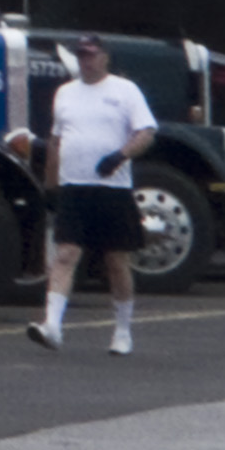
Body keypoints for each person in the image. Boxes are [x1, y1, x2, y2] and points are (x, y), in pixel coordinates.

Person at [33, 34, 160, 354]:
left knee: (116, 260)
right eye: (81, 55)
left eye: (91, 54)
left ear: (104, 56)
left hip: (112, 188)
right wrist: (51, 185)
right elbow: (56, 141)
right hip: (74, 187)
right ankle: (52, 325)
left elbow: (146, 132)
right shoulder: (64, 93)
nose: (85, 60)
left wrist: (120, 155)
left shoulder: (124, 90)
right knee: (65, 255)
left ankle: (122, 330)